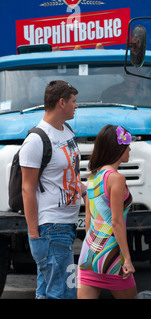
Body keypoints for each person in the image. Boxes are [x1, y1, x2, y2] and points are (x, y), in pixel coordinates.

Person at [21, 80, 84, 299]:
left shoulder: (66, 130)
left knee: (48, 292)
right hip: (50, 228)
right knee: (63, 293)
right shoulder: (36, 140)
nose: (77, 106)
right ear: (61, 102)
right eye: (74, 101)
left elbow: (71, 176)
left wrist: (92, 190)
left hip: (66, 225)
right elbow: (27, 189)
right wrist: (34, 234)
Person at [77, 125, 137, 299]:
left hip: (89, 252)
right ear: (118, 148)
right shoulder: (116, 179)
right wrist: (127, 258)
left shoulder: (93, 177)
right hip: (111, 254)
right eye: (128, 145)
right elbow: (116, 222)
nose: (130, 148)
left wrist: (92, 250)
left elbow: (89, 220)